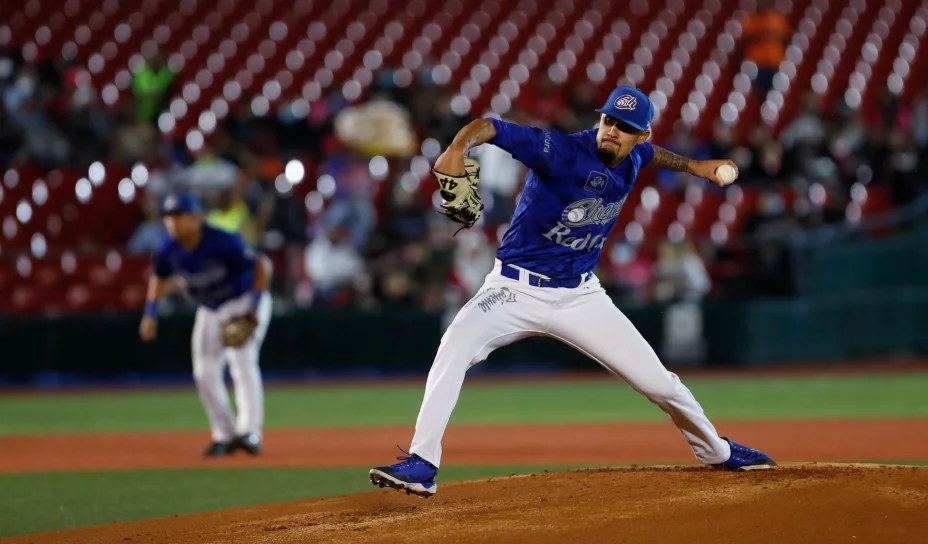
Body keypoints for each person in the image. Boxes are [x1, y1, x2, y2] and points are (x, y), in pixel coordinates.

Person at [369, 86, 776, 498]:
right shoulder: (558, 149)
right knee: (454, 344)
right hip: (514, 289)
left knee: (661, 385)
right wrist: (458, 146)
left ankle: (716, 451)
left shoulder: (637, 154)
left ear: (641, 135)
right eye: (610, 120)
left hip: (581, 296)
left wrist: (697, 166)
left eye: (627, 127)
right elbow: (490, 127)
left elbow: (655, 155)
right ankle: (423, 462)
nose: (614, 130)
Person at [139, 191, 273, 457]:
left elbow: (262, 265)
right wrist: (150, 313)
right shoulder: (168, 249)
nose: (173, 223)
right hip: (210, 308)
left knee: (241, 359)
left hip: (242, 300)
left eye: (179, 216)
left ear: (196, 217)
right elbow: (159, 278)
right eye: (169, 217)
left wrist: (255, 307)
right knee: (204, 372)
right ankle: (224, 434)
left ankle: (249, 432)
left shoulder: (222, 241)